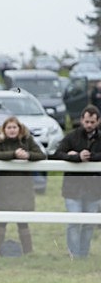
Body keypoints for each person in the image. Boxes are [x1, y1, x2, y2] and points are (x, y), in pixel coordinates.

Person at [0, 117, 45, 255]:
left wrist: (27, 155)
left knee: (22, 221)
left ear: (19, 129)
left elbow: (41, 155)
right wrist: (13, 154)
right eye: (9, 128)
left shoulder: (27, 140)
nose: (12, 130)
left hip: (22, 187)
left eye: (14, 127)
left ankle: (28, 251)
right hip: (3, 188)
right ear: (4, 129)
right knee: (1, 221)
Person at [52, 105, 101, 258]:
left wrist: (89, 157)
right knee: (74, 221)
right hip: (73, 188)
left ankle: (83, 255)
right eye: (86, 121)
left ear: (98, 122)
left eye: (92, 122)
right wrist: (75, 157)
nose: (89, 125)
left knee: (88, 224)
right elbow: (57, 154)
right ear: (81, 120)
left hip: (94, 188)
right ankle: (74, 254)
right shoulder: (71, 137)